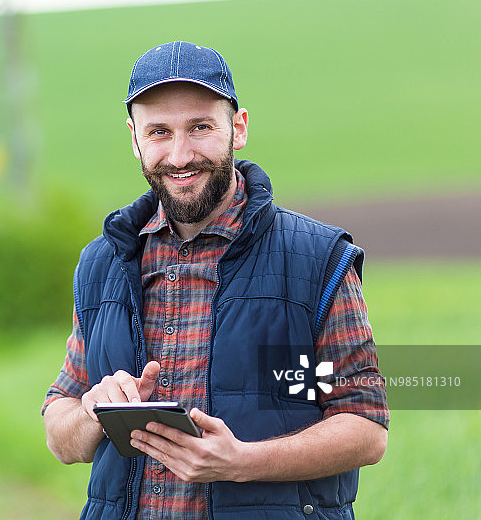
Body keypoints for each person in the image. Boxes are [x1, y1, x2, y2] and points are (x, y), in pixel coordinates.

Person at [42, 40, 389, 520]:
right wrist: (91, 412)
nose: (180, 154)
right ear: (134, 139)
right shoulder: (103, 264)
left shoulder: (316, 260)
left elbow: (365, 425)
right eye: (159, 132)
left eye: (200, 127)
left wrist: (243, 462)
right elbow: (61, 434)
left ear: (238, 128)